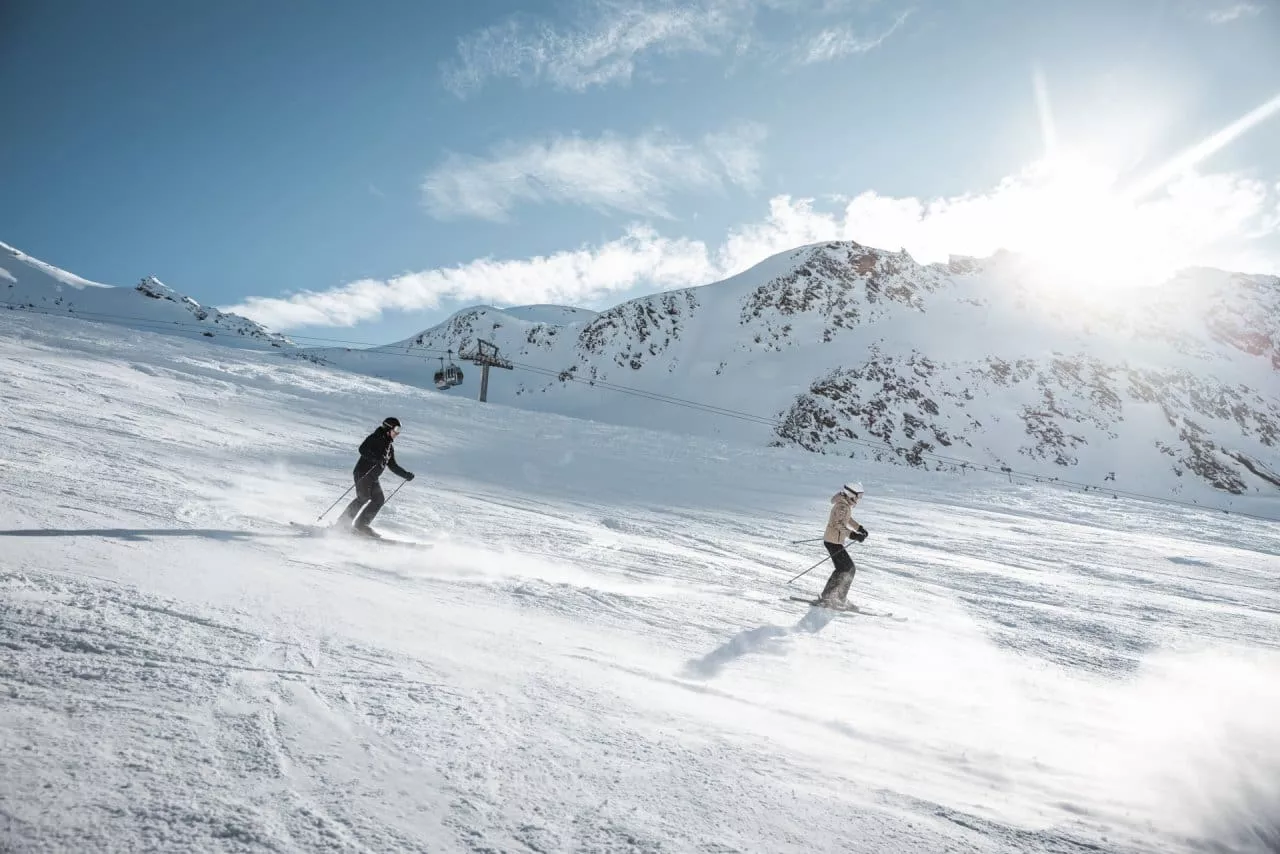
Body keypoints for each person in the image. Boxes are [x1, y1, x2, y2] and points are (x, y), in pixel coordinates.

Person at [338, 417, 415, 537]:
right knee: (363, 498)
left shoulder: (389, 447)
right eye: (396, 429)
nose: (398, 433)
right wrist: (375, 458)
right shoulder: (375, 438)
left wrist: (405, 475)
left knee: (379, 499)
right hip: (363, 473)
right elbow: (362, 449)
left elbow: (393, 466)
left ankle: (361, 525)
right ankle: (342, 524)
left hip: (373, 477)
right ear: (388, 428)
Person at [819, 481, 868, 607]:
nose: (859, 499)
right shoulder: (842, 506)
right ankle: (832, 597)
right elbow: (838, 524)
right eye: (858, 496)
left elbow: (847, 519)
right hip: (833, 542)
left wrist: (859, 528)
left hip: (834, 541)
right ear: (851, 494)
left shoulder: (845, 505)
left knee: (846, 568)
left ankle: (836, 597)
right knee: (847, 568)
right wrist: (853, 535)